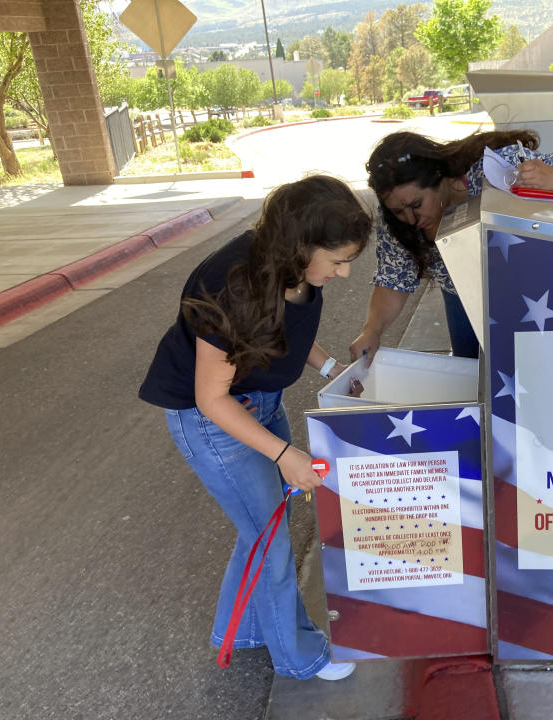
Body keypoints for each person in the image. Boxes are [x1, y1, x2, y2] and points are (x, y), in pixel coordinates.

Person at [138, 175, 370, 681]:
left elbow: (285, 330)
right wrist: (287, 456)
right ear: (300, 244)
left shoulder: (295, 267)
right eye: (338, 260)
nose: (346, 272)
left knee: (261, 528)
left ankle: (239, 632)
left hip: (260, 400)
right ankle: (300, 656)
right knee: (269, 538)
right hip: (214, 419)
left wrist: (334, 371)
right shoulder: (233, 282)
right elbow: (210, 397)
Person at [351, 129, 553, 363]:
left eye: (417, 204)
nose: (411, 219)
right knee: (469, 369)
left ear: (439, 177)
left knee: (528, 367)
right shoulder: (394, 222)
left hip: (526, 289)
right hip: (460, 294)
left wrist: (551, 176)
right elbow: (394, 279)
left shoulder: (492, 168)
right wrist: (371, 331)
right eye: (398, 211)